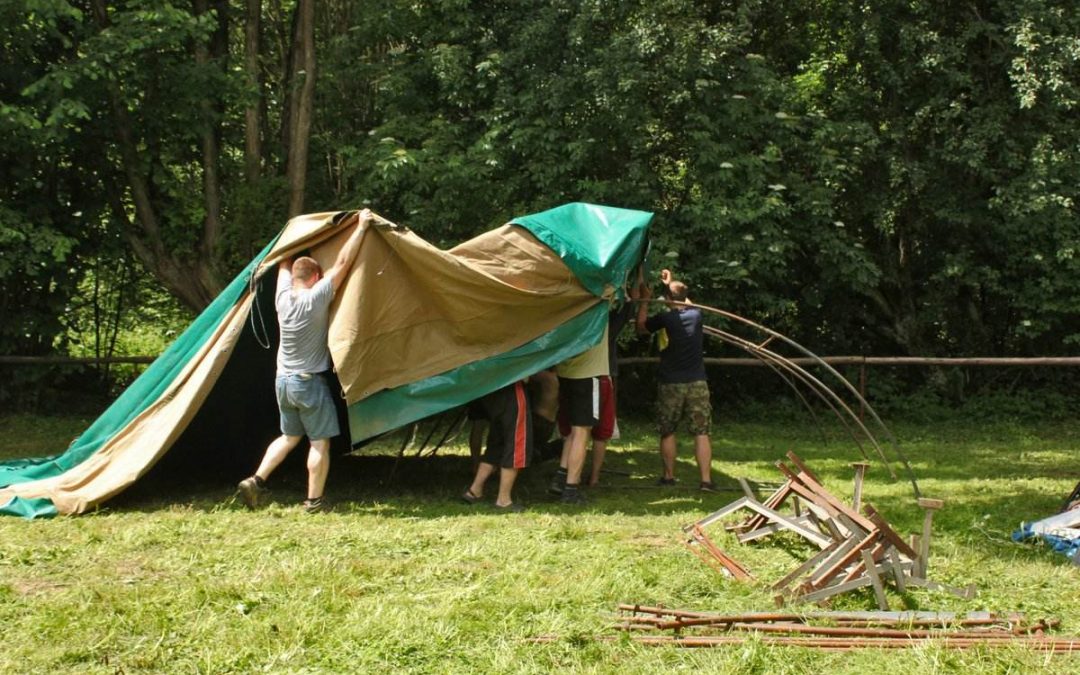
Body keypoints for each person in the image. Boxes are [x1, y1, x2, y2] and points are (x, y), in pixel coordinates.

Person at [238, 209, 373, 512]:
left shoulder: (282, 297)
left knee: (289, 437)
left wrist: (295, 237)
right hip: (309, 383)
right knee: (319, 443)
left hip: (283, 382)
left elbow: (284, 263)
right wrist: (362, 227)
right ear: (316, 277)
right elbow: (343, 262)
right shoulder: (316, 298)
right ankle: (314, 501)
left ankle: (256, 480)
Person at [636, 268, 715, 491]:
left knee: (668, 430)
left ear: (668, 299)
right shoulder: (697, 315)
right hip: (697, 382)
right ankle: (706, 481)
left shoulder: (665, 318)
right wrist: (670, 287)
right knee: (701, 432)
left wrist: (645, 302)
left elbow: (641, 328)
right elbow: (685, 302)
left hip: (670, 382)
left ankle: (669, 477)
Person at [548, 324, 609, 504]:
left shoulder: (568, 308)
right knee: (582, 433)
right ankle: (571, 490)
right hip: (588, 374)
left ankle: (561, 478)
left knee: (573, 432)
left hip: (565, 373)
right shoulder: (599, 306)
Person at [461, 379, 535, 511]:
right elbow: (525, 376)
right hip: (512, 388)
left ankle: (474, 491)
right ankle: (503, 500)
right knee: (516, 443)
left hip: (491, 388)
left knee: (497, 442)